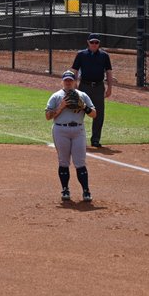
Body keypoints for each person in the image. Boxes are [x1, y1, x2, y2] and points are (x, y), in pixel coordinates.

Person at [46, 70, 97, 203]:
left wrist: (84, 107)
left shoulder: (83, 96)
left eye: (70, 80)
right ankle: (65, 189)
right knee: (63, 161)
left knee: (80, 162)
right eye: (66, 80)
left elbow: (94, 114)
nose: (68, 82)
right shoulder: (56, 96)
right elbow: (47, 116)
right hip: (60, 130)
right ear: (62, 82)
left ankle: (86, 191)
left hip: (78, 131)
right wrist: (61, 107)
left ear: (75, 82)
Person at [71, 33, 113, 148]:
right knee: (79, 112)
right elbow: (74, 70)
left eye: (96, 42)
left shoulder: (104, 56)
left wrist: (109, 88)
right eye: (92, 42)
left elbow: (109, 72)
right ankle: (77, 138)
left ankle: (95, 139)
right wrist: (73, 86)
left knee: (98, 114)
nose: (94, 44)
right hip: (84, 86)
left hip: (99, 87)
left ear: (99, 43)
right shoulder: (81, 54)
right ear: (88, 42)